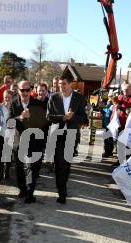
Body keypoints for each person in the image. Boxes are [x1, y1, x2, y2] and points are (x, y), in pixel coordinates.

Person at [47, 75, 89, 204]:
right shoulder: (54, 97)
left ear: (71, 84)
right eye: (60, 84)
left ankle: (62, 188)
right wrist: (63, 118)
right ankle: (62, 193)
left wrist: (72, 117)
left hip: (71, 135)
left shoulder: (78, 98)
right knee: (59, 164)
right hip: (58, 135)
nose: (61, 86)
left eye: (64, 84)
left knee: (66, 165)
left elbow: (84, 120)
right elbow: (48, 117)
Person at [9, 80, 46, 203]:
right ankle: (22, 189)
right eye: (22, 90)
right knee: (19, 168)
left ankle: (30, 193)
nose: (25, 92)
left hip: (35, 141)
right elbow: (9, 122)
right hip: (19, 141)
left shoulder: (38, 104)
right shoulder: (13, 104)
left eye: (27, 90)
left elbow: (43, 123)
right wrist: (20, 117)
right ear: (18, 91)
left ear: (31, 90)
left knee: (32, 167)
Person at [0, 90, 13, 180]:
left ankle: (7, 172)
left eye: (9, 97)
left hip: (10, 134)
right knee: (1, 154)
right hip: (1, 133)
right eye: (6, 97)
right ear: (3, 97)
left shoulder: (14, 107)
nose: (7, 99)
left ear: (12, 98)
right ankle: (0, 173)